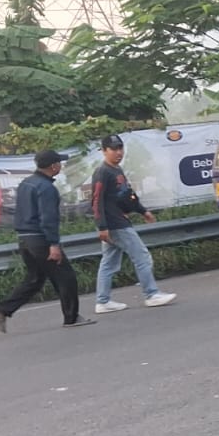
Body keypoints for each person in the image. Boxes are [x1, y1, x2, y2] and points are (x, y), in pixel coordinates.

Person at [0, 150, 95, 331]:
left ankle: (2, 310)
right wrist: (54, 244)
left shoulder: (26, 183)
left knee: (35, 279)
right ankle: (71, 317)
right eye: (59, 163)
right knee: (66, 277)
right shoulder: (46, 188)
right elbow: (48, 219)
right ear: (53, 166)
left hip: (24, 238)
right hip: (40, 239)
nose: (61, 165)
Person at [90, 133, 176, 313]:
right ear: (104, 151)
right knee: (142, 257)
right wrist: (102, 226)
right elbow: (96, 200)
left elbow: (127, 195)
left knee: (109, 263)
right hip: (115, 224)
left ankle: (103, 301)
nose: (118, 152)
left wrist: (142, 210)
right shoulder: (102, 172)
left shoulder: (117, 170)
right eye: (114, 149)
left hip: (118, 221)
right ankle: (151, 294)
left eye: (120, 148)